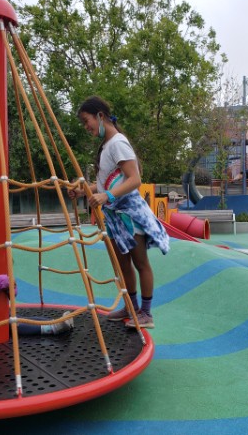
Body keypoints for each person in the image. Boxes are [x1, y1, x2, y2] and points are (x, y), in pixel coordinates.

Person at [68, 96, 169, 329]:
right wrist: (84, 191)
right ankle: (131, 306)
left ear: (100, 116)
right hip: (114, 215)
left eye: (87, 121)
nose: (86, 127)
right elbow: (104, 186)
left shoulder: (118, 143)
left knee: (140, 262)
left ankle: (146, 313)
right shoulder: (106, 147)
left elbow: (135, 179)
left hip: (129, 214)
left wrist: (107, 196)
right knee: (122, 264)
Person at [0, 265, 74, 335]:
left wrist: (10, 285)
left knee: (21, 319)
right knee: (14, 326)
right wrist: (2, 281)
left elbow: (12, 295)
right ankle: (52, 328)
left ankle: (56, 321)